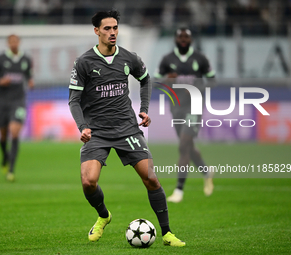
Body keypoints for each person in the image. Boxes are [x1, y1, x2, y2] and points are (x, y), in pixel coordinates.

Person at [68, 10, 185, 247]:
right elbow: (73, 100)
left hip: (127, 129)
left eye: (115, 28)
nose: (112, 32)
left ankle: (167, 233)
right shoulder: (84, 62)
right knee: (88, 182)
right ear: (97, 31)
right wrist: (82, 126)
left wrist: (143, 108)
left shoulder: (129, 58)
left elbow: (145, 79)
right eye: (107, 29)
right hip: (97, 132)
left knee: (151, 178)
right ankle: (103, 215)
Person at [154, 27, 215, 203]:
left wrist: (197, 88)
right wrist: (166, 81)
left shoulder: (200, 58)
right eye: (180, 36)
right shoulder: (167, 60)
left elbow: (212, 80)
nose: (183, 39)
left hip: (194, 107)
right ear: (175, 39)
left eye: (186, 37)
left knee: (183, 145)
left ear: (191, 40)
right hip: (176, 108)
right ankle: (206, 171)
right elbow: (155, 83)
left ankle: (179, 190)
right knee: (187, 146)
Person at [0, 34, 34, 182]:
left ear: (19, 42)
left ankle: (11, 170)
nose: (13, 44)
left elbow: (28, 76)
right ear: (8, 43)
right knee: (3, 135)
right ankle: (5, 156)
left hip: (18, 101)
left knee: (14, 132)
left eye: (16, 41)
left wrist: (31, 82)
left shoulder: (26, 59)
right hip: (2, 101)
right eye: (11, 41)